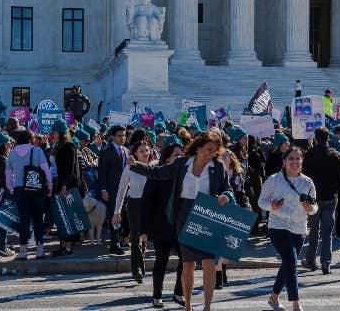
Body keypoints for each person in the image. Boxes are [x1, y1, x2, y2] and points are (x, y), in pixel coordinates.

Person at [129, 129, 237, 311]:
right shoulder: (181, 163)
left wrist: (225, 195)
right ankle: (187, 306)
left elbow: (228, 189)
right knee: (188, 263)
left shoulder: (218, 167)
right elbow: (158, 173)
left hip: (208, 214)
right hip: (185, 215)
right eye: (208, 149)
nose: (211, 154)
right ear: (198, 147)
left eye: (214, 151)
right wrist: (137, 165)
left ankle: (207, 307)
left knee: (209, 263)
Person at [259, 147, 319, 311]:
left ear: (302, 162)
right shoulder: (274, 180)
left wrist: (309, 209)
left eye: (298, 158)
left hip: (299, 228)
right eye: (291, 158)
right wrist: (270, 206)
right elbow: (261, 202)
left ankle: (273, 298)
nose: (294, 161)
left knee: (287, 263)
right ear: (284, 162)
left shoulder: (307, 182)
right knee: (291, 261)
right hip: (278, 226)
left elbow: (314, 207)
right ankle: (296, 304)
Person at [140, 143, 185, 308]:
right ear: (167, 158)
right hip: (162, 225)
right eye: (176, 155)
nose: (180, 158)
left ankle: (178, 292)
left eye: (182, 155)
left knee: (186, 261)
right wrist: (143, 229)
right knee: (161, 262)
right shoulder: (157, 174)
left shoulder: (186, 175)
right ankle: (157, 296)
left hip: (181, 226)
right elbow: (146, 203)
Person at [301, 127, 340, 274]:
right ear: (328, 138)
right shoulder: (335, 154)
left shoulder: (310, 155)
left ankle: (311, 260)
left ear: (316, 138)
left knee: (313, 231)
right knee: (327, 232)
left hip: (313, 198)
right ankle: (326, 263)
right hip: (331, 197)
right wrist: (335, 191)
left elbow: (303, 178)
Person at [5, 128, 52, 259]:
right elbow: (46, 170)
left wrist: (11, 189)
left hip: (20, 190)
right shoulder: (37, 151)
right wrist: (49, 186)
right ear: (31, 139)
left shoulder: (12, 153)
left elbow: (8, 174)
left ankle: (23, 250)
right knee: (38, 220)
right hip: (37, 189)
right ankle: (39, 249)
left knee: (24, 220)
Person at [113, 140, 151, 282]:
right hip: (134, 204)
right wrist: (116, 211)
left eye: (147, 150)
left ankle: (140, 263)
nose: (145, 153)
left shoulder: (154, 167)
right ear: (135, 153)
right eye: (141, 151)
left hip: (148, 206)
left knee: (144, 237)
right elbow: (121, 190)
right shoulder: (129, 168)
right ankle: (137, 269)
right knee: (135, 237)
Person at [50, 120, 84, 257]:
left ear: (59, 133)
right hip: (60, 184)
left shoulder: (69, 146)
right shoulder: (58, 146)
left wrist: (64, 185)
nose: (52, 134)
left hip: (68, 186)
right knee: (61, 217)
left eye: (54, 132)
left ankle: (68, 248)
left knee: (69, 217)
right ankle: (63, 245)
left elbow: (69, 168)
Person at [98, 125, 129, 255]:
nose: (122, 138)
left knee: (123, 216)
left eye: (124, 135)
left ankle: (122, 239)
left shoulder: (127, 151)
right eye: (119, 136)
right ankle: (114, 244)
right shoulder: (106, 151)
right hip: (112, 190)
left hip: (125, 190)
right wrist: (103, 189)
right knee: (114, 216)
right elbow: (102, 173)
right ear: (112, 137)